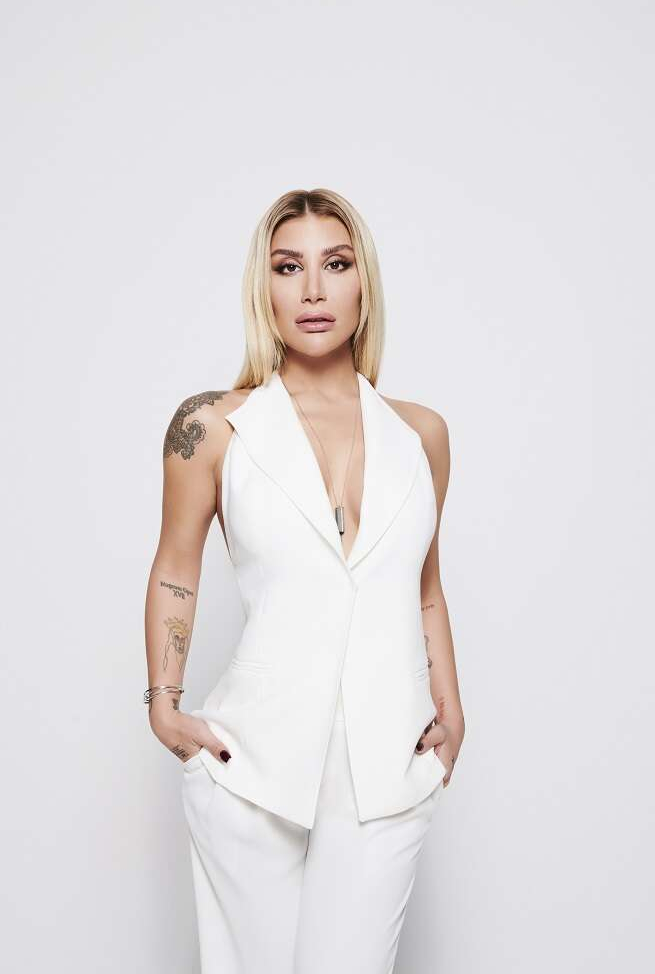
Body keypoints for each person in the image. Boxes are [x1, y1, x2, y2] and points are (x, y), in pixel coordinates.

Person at [144, 187, 465, 973]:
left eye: (336, 264)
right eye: (289, 267)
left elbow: (424, 585)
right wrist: (164, 707)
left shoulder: (420, 434)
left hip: (387, 769)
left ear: (364, 283)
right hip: (250, 765)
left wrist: (452, 712)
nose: (313, 290)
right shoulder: (213, 426)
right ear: (264, 288)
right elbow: (176, 565)